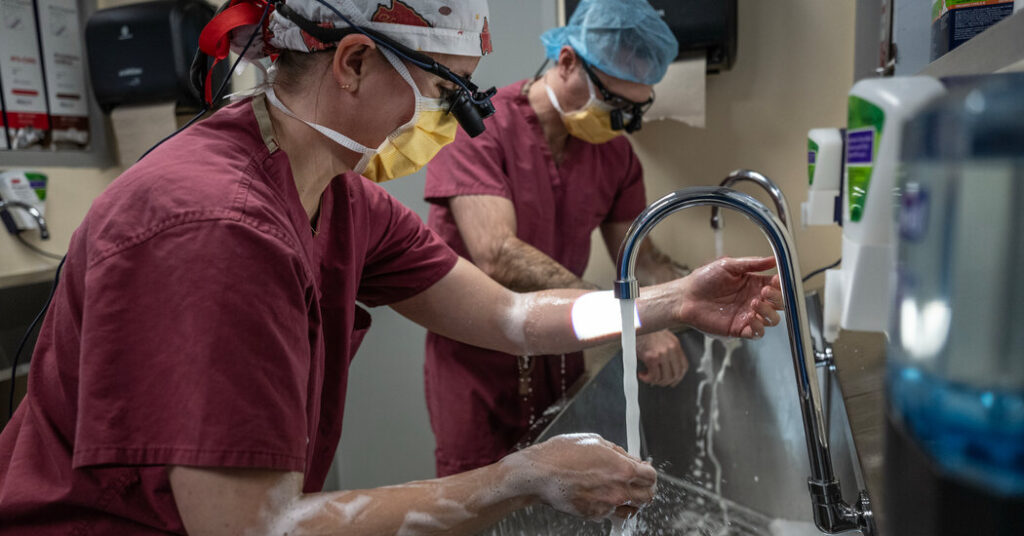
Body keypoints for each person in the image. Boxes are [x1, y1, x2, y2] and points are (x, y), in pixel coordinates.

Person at [0, 0, 783, 534]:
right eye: (447, 88)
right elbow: (253, 527)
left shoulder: (339, 195)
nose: (458, 116)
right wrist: (519, 478)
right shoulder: (219, 226)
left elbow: (508, 318)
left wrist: (669, 300)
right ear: (352, 62)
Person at [423, 0, 691, 477]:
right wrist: (630, 319)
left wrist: (694, 293)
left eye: (632, 110)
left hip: (559, 362)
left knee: (557, 495)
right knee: (479, 503)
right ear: (567, 61)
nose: (616, 121)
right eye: (611, 102)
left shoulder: (615, 157)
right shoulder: (479, 129)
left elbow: (641, 258)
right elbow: (497, 255)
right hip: (480, 366)